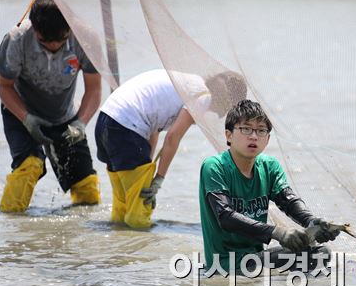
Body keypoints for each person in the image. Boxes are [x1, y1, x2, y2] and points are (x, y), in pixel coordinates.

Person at [199, 99, 341, 272]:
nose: (253, 136)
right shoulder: (214, 167)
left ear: (267, 139)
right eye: (246, 129)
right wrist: (278, 233)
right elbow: (226, 217)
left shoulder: (269, 166)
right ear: (228, 135)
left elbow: (288, 201)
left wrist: (312, 222)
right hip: (224, 264)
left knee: (320, 254)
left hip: (256, 258)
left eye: (261, 130)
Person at [95, 69, 246, 229]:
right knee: (138, 213)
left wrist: (148, 173)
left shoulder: (192, 83)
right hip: (126, 127)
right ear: (228, 100)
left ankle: (116, 244)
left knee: (123, 202)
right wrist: (158, 179)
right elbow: (173, 137)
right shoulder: (204, 97)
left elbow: (154, 130)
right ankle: (138, 249)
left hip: (107, 120)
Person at [0, 0, 101, 212]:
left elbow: (94, 90)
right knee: (29, 167)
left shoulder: (86, 39)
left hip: (64, 116)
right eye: (45, 41)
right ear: (34, 28)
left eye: (61, 40)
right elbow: (3, 86)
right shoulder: (16, 40)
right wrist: (26, 118)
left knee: (87, 191)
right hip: (20, 110)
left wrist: (81, 124)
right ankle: (11, 224)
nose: (54, 46)